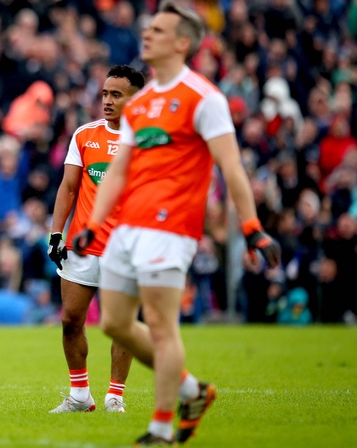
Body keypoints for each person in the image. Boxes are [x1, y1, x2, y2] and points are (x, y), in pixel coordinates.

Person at [71, 3, 280, 445]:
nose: (147, 35)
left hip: (171, 228)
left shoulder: (204, 98)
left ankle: (162, 428)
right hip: (126, 228)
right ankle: (192, 390)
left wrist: (251, 225)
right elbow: (121, 169)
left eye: (159, 30)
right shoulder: (141, 104)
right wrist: (91, 222)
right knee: (113, 323)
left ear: (182, 42)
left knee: (163, 328)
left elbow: (231, 165)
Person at [47, 65, 145, 414]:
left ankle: (115, 397)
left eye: (116, 94)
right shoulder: (85, 135)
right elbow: (69, 187)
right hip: (82, 246)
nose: (106, 100)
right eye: (104, 93)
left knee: (121, 326)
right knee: (70, 320)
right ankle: (79, 396)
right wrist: (57, 232)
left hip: (126, 247)